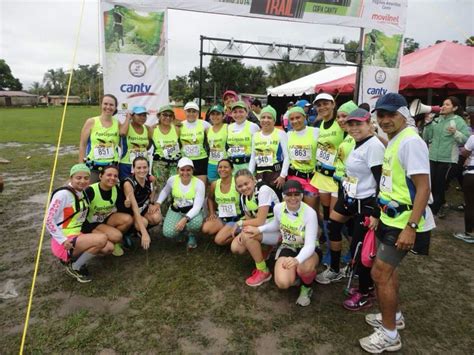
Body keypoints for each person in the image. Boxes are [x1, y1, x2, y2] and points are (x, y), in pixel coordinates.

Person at [359, 93, 435, 353]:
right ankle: (395, 317)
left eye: (391, 114)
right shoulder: (394, 140)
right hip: (390, 218)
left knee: (379, 274)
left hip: (404, 222)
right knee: (388, 273)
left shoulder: (411, 142)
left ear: (404, 114)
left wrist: (411, 227)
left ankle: (390, 335)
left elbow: (424, 188)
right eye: (381, 115)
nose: (385, 119)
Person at [317, 109, 385, 313]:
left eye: (359, 124)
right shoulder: (356, 142)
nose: (354, 128)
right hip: (350, 197)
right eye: (351, 124)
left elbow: (382, 180)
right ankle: (336, 269)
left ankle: (365, 292)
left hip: (366, 203)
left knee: (360, 248)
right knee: (333, 224)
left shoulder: (373, 146)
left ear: (369, 124)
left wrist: (375, 212)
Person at [244, 180, 321, 306]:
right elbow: (275, 224)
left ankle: (306, 287)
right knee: (283, 283)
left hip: (306, 248)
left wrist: (297, 260)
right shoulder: (278, 208)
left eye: (297, 194)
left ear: (302, 195)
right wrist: (258, 229)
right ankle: (296, 275)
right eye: (289, 195)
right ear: (283, 196)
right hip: (288, 245)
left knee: (304, 267)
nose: (293, 198)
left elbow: (310, 245)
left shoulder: (310, 213)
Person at [46, 164, 113, 283]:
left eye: (86, 178)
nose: (82, 181)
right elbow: (48, 220)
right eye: (78, 178)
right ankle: (74, 266)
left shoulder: (83, 192)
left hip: (77, 235)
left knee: (108, 248)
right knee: (102, 239)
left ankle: (76, 260)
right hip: (64, 241)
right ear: (71, 178)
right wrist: (62, 240)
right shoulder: (63, 195)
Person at [231, 169, 281, 287]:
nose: (244, 188)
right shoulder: (243, 197)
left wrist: (240, 224)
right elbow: (249, 220)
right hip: (265, 229)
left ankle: (263, 271)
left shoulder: (263, 190)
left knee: (247, 235)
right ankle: (268, 249)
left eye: (246, 183)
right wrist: (243, 227)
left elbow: (260, 221)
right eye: (240, 186)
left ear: (253, 180)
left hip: (280, 230)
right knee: (236, 247)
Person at [422, 96, 469, 217]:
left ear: (455, 107)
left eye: (447, 105)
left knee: (440, 185)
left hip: (448, 159)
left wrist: (456, 133)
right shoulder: (437, 119)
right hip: (432, 157)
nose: (443, 106)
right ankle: (439, 205)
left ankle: (433, 212)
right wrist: (428, 124)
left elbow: (466, 140)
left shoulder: (458, 121)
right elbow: (426, 137)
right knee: (431, 184)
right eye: (443, 104)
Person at [311, 93, 344, 251]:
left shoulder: (340, 122)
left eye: (326, 103)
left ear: (333, 104)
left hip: (337, 179)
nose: (322, 107)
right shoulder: (319, 125)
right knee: (325, 215)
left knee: (335, 219)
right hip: (322, 177)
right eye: (319, 105)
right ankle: (330, 248)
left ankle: (348, 252)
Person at [81, 165, 133, 257]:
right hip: (90, 224)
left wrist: (126, 205)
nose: (112, 178)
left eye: (115, 176)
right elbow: (80, 215)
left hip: (106, 219)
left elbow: (122, 209)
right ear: (101, 176)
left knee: (128, 219)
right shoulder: (90, 191)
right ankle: (94, 245)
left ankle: (113, 241)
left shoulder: (116, 189)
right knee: (112, 242)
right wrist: (89, 230)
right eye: (109, 175)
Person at [155, 157, 206, 249]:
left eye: (188, 170)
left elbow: (197, 207)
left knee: (195, 224)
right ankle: (181, 232)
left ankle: (191, 235)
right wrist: (158, 202)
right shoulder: (172, 179)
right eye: (182, 170)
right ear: (178, 170)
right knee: (168, 232)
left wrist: (185, 219)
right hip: (176, 210)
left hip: (193, 212)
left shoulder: (199, 183)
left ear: (193, 170)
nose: (185, 173)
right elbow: (165, 191)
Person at [79, 94, 120, 183]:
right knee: (89, 193)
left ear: (115, 107)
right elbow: (82, 145)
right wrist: (81, 167)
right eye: (105, 104)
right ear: (101, 105)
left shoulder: (118, 124)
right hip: (93, 168)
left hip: (112, 168)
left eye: (111, 105)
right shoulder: (91, 122)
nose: (108, 107)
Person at [121, 157, 161, 250]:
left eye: (144, 167)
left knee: (157, 217)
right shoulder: (129, 183)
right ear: (133, 169)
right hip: (131, 213)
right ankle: (128, 233)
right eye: (138, 168)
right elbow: (134, 209)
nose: (142, 170)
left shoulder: (150, 179)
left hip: (142, 209)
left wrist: (151, 203)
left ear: (148, 168)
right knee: (143, 223)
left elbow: (152, 192)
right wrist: (145, 234)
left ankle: (139, 230)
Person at [286, 106, 319, 212]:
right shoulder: (288, 135)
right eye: (292, 119)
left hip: (312, 179)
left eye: (298, 117)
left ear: (305, 117)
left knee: (311, 211)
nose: (295, 121)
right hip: (294, 178)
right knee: (295, 210)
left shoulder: (315, 131)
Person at [249, 105, 289, 193]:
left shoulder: (281, 134)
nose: (266, 120)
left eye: (269, 117)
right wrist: (250, 174)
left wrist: (283, 176)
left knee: (275, 203)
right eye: (263, 117)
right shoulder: (255, 135)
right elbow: (253, 157)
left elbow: (287, 157)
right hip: (260, 176)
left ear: (274, 120)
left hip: (276, 176)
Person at [202, 159, 242, 245]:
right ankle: (225, 231)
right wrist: (212, 213)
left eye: (226, 167)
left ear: (232, 169)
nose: (222, 169)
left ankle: (242, 235)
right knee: (206, 229)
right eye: (220, 167)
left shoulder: (237, 183)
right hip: (222, 217)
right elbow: (210, 198)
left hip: (236, 219)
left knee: (218, 240)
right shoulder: (215, 184)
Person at [151, 104, 181, 207]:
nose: (167, 118)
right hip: (159, 164)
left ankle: (173, 212)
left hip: (174, 163)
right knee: (160, 188)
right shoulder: (152, 130)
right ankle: (162, 215)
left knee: (174, 188)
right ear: (159, 116)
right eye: (164, 115)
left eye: (170, 115)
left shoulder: (177, 129)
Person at [180, 101, 211, 185]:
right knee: (186, 186)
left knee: (201, 186)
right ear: (185, 112)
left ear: (197, 112)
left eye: (194, 111)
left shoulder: (205, 124)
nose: (191, 114)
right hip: (185, 160)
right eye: (188, 111)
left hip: (201, 160)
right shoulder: (180, 125)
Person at [118, 106, 152, 180]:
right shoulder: (126, 127)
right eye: (139, 115)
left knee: (142, 189)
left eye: (144, 115)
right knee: (127, 189)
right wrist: (127, 118)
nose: (142, 117)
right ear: (132, 116)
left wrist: (140, 149)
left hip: (142, 166)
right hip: (127, 164)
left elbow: (148, 146)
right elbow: (122, 133)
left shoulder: (147, 128)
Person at [226, 101, 260, 171]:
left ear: (247, 113)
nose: (238, 114)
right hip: (232, 167)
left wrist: (252, 170)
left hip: (248, 166)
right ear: (231, 114)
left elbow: (258, 150)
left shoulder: (253, 127)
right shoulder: (229, 127)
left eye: (241, 111)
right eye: (235, 112)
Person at [453, 134, 474, 243]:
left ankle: (470, 233)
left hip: (472, 174)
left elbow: (465, 152)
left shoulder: (473, 138)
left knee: (470, 204)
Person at [206, 105, 228, 183]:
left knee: (225, 184)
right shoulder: (208, 130)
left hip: (225, 163)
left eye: (218, 114)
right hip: (212, 163)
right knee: (212, 186)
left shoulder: (228, 128)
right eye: (213, 114)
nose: (215, 116)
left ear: (223, 116)